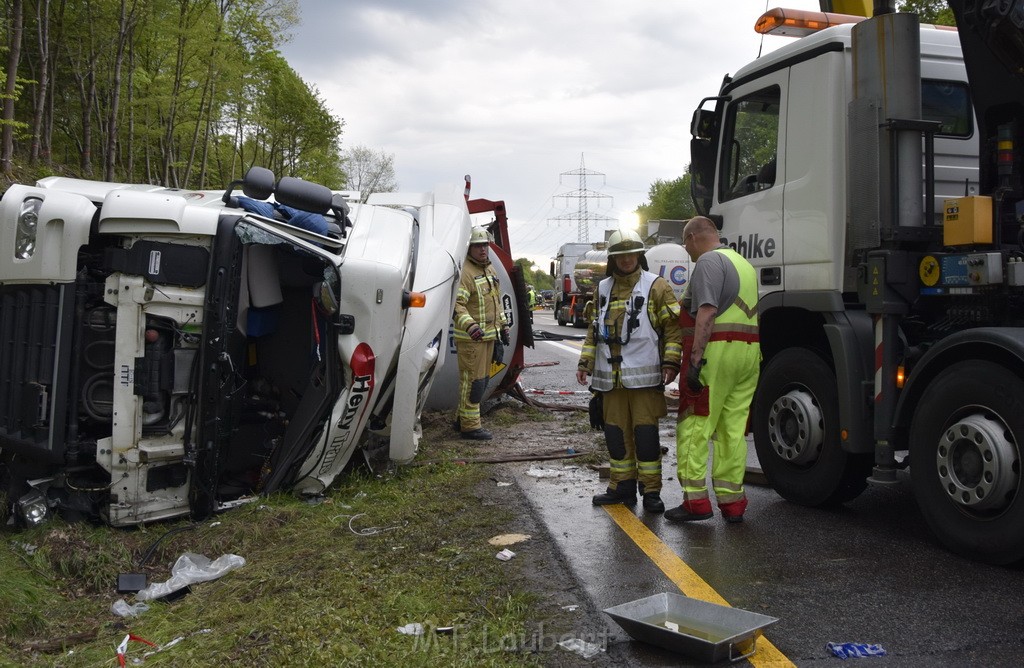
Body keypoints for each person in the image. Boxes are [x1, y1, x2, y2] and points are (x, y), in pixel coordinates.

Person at [576, 230, 682, 513]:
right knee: (615, 433)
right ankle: (621, 487)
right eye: (620, 255)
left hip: (645, 380)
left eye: (631, 254)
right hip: (610, 382)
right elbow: (593, 331)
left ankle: (650, 491)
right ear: (612, 259)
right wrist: (584, 362)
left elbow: (673, 329)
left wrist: (671, 363)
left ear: (639, 256)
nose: (626, 259)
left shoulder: (656, 287)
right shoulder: (602, 289)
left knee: (646, 436)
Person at [667, 216, 760, 524]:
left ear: (694, 237)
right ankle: (733, 503)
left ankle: (696, 502)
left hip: (716, 353)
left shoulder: (708, 261)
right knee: (732, 430)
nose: (686, 249)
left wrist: (694, 361)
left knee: (695, 424)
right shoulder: (744, 264)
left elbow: (706, 310)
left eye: (685, 242)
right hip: (748, 354)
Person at [453, 226, 509, 441]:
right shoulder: (466, 272)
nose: (482, 249)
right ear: (469, 248)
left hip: (489, 337)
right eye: (477, 246)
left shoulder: (490, 270)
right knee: (473, 382)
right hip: (471, 340)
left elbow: (497, 302)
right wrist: (471, 327)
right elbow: (457, 305)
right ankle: (470, 427)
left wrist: (503, 327)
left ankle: (461, 419)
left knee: (481, 380)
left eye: (484, 245)